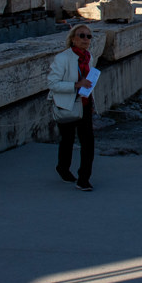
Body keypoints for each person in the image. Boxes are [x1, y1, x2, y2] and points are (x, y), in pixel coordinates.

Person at [46, 23, 97, 191]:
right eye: (82, 36)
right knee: (67, 140)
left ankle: (84, 178)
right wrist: (76, 85)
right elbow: (52, 84)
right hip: (67, 105)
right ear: (73, 39)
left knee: (88, 143)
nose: (85, 39)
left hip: (85, 105)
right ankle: (63, 168)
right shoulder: (63, 58)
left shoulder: (90, 56)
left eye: (88, 36)